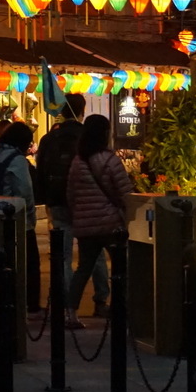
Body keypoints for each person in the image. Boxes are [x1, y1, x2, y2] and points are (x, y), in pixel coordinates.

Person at [35, 94, 111, 318]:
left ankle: (66, 304)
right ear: (82, 110)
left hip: (57, 201)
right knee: (94, 253)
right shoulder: (86, 138)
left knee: (64, 255)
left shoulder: (49, 138)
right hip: (86, 203)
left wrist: (46, 199)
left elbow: (40, 171)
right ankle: (100, 300)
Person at [66, 115, 134, 329]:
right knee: (121, 267)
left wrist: (80, 214)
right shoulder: (109, 159)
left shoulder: (78, 160)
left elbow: (71, 194)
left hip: (86, 225)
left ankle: (71, 312)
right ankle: (119, 308)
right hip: (110, 224)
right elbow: (125, 192)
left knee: (83, 268)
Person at [0, 121, 40, 314]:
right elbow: (24, 191)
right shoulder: (18, 160)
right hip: (15, 218)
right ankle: (29, 303)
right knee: (28, 263)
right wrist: (30, 216)